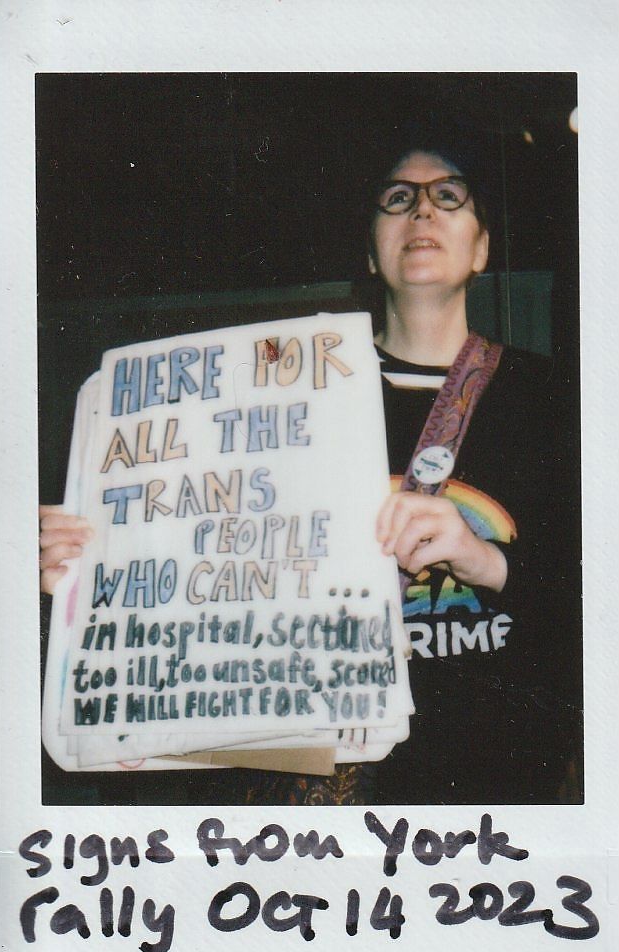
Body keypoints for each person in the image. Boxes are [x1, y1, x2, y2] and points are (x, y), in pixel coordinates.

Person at [40, 135, 582, 805]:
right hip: (306, 795)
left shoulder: (558, 397)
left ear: (481, 250)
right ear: (368, 251)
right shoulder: (282, 394)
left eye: (447, 196)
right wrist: (84, 569)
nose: (420, 211)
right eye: (396, 199)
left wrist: (485, 561)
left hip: (486, 780)